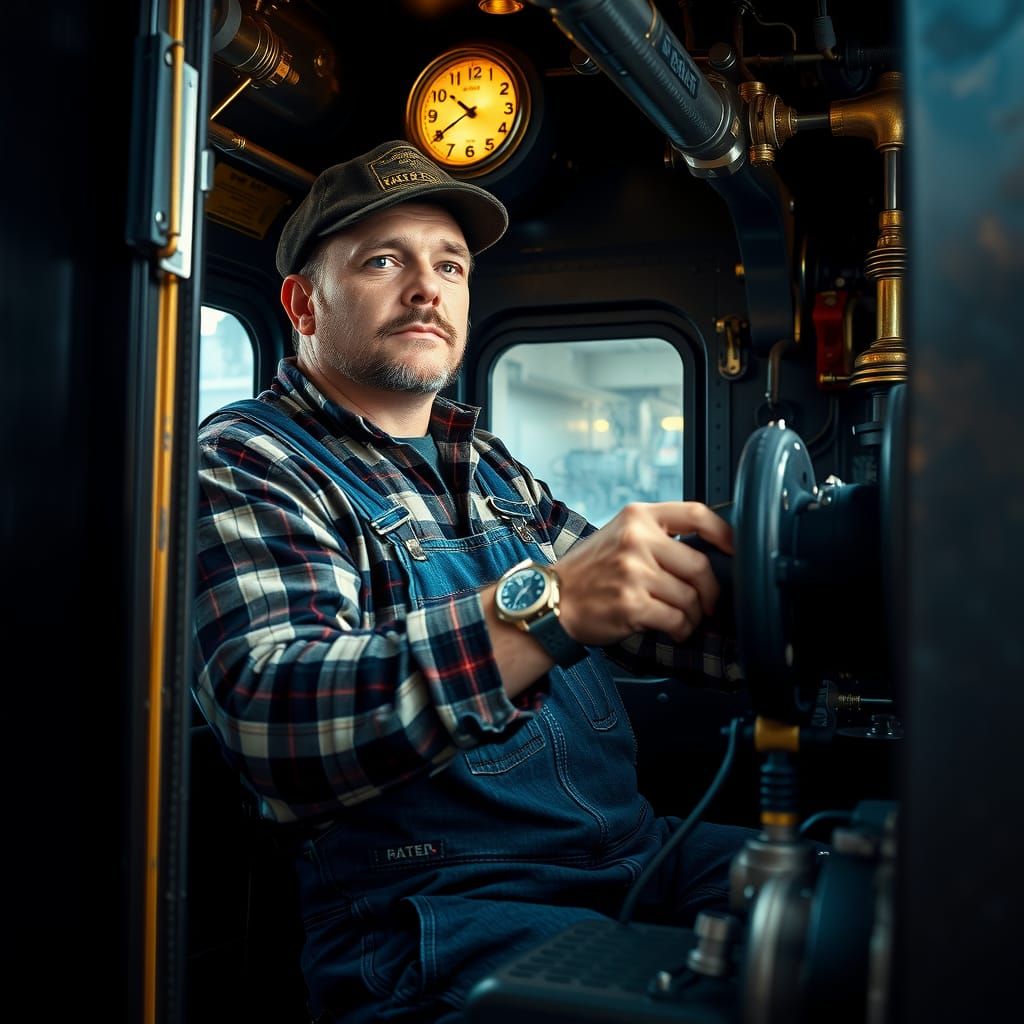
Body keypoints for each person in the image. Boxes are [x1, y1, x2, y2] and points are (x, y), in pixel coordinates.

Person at [193, 139, 755, 1024]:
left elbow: (670, 605)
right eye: (384, 261)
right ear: (302, 304)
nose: (427, 287)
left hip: (642, 859)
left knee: (883, 908)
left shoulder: (490, 467)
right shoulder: (249, 459)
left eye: (448, 264)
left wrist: (814, 589)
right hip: (442, 915)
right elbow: (277, 718)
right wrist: (551, 608)